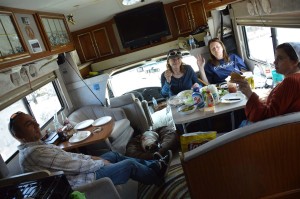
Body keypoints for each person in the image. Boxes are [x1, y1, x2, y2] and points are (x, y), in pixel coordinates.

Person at [8, 112, 172, 188]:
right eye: (29, 125)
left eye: (34, 121)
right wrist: (100, 163)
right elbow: (74, 166)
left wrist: (94, 159)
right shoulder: (33, 153)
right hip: (82, 181)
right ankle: (159, 179)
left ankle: (155, 166)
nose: (37, 125)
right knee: (128, 164)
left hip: (79, 173)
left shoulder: (37, 146)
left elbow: (72, 159)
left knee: (113, 154)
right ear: (18, 135)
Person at [232, 42, 300, 123]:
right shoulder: (294, 78)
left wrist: (249, 94)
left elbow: (265, 117)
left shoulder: (290, 81)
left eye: (280, 58)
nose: (275, 62)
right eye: (275, 58)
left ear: (295, 62)